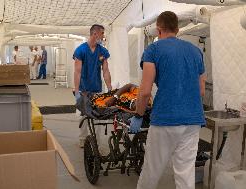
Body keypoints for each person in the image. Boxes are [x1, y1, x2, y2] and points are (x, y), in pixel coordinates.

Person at [130, 11, 206, 189]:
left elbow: (145, 91)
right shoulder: (196, 52)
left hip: (165, 119)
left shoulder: (153, 50)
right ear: (177, 30)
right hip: (193, 120)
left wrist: (139, 115)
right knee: (185, 173)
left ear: (158, 30)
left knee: (152, 170)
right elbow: (201, 91)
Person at [73, 24, 112, 147]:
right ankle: (83, 139)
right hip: (84, 90)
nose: (103, 36)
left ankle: (96, 142)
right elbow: (77, 71)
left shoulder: (102, 51)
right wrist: (77, 91)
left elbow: (105, 71)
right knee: (83, 116)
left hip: (97, 89)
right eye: (102, 34)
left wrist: (110, 87)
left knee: (98, 115)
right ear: (95, 34)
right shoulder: (81, 50)